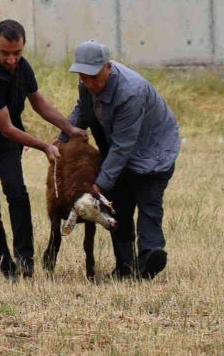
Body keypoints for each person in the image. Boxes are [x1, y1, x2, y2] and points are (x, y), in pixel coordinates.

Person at [0, 19, 88, 280]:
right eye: (6, 53)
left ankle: (25, 260)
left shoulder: (23, 68)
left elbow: (39, 103)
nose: (12, 60)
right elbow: (6, 128)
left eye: (17, 53)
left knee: (17, 193)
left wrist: (70, 129)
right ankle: (6, 267)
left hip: (4, 145)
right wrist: (44, 146)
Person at [58, 40, 181, 279]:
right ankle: (124, 267)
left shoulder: (130, 92)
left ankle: (150, 257)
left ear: (108, 67)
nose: (89, 82)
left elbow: (123, 146)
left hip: (154, 152)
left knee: (149, 204)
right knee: (119, 208)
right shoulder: (86, 83)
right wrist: (63, 139)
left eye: (94, 76)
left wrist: (100, 183)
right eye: (84, 76)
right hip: (121, 150)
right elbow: (82, 111)